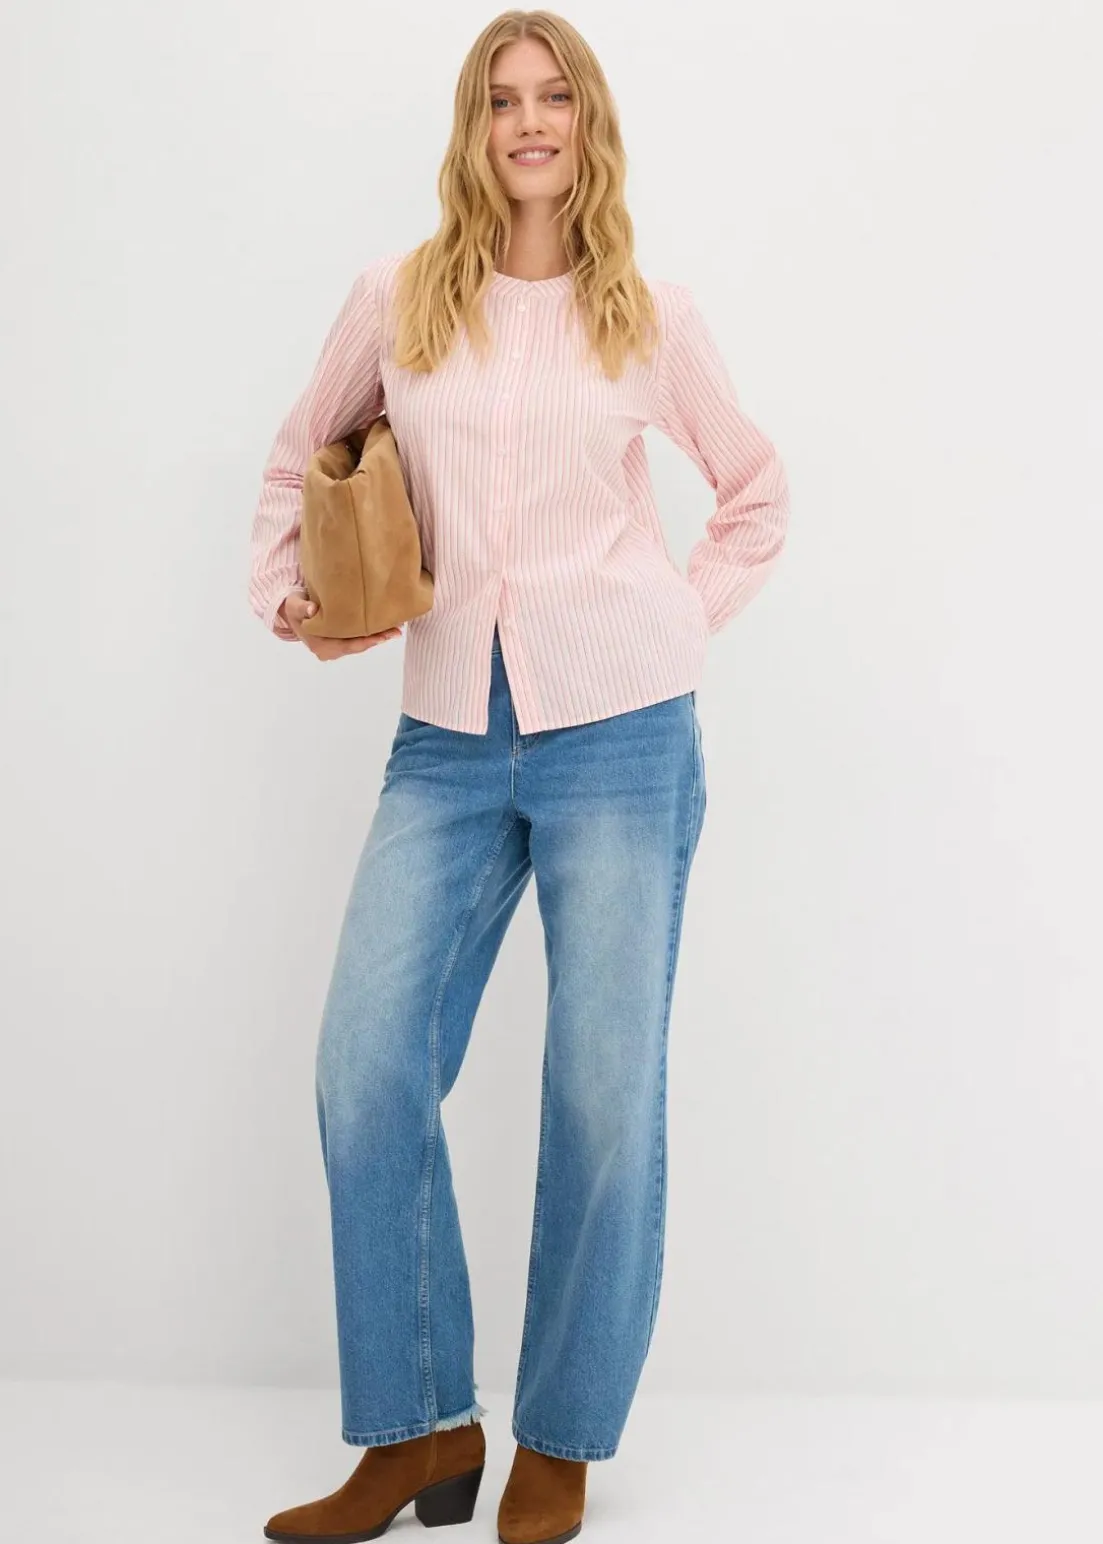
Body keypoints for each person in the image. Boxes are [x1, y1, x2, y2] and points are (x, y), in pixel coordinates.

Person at [249, 11, 789, 1543]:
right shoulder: (398, 298)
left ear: (587, 123)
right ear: (472, 128)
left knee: (603, 1091)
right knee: (365, 1066)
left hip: (621, 735)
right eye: (502, 100)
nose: (529, 122)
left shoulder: (651, 316)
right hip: (444, 735)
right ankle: (421, 1425)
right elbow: (297, 455)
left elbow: (755, 495)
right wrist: (291, 593)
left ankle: (559, 1434)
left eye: (554, 97)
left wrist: (674, 619)